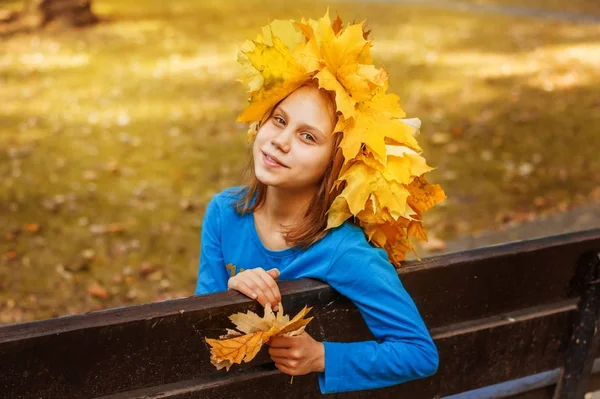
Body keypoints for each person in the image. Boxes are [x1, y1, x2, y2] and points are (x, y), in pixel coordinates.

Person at [195, 11, 445, 394]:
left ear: (336, 165)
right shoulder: (224, 213)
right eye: (279, 120)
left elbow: (418, 352)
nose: (281, 140)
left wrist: (323, 357)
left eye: (307, 137)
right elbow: (197, 332)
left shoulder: (343, 251)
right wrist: (231, 290)